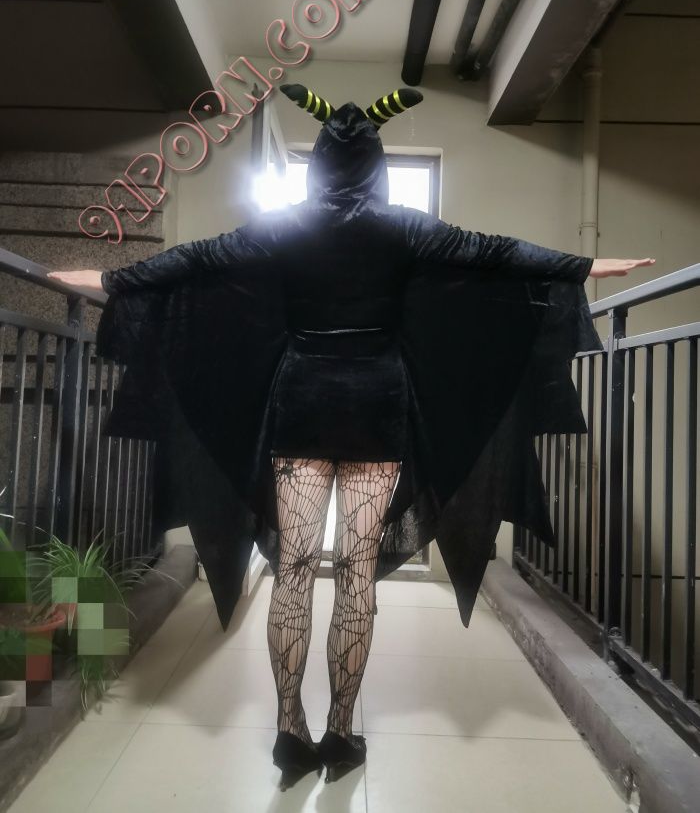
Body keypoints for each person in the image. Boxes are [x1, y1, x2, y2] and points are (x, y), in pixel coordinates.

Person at [48, 84, 654, 789]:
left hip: (301, 403)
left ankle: (288, 730)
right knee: (357, 575)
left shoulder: (283, 225)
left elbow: (194, 260)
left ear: (319, 167)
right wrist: (585, 266)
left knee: (295, 570)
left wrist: (106, 278)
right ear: (374, 165)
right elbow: (493, 253)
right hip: (376, 407)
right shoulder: (404, 227)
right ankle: (340, 731)